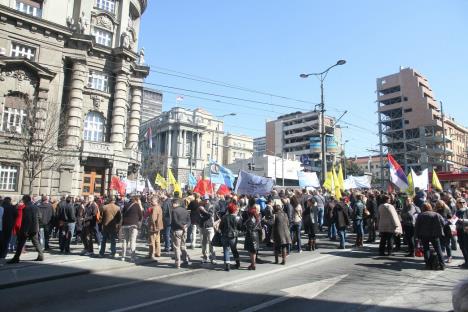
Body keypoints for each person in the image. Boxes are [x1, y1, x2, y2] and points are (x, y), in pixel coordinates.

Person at [7, 195, 43, 264]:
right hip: (35, 227)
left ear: (25, 200)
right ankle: (41, 255)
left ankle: (16, 258)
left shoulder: (26, 208)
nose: (23, 201)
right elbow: (39, 217)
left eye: (23, 199)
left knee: (20, 243)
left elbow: (27, 220)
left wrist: (25, 230)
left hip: (27, 229)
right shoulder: (35, 207)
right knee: (36, 242)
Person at [414, 202, 446, 270]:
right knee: (438, 249)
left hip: (423, 235)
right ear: (430, 207)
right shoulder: (436, 214)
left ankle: (428, 265)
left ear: (423, 208)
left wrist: (416, 236)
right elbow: (443, 223)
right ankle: (442, 265)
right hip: (434, 234)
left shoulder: (420, 215)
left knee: (426, 249)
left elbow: (417, 226)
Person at [121, 195, 143, 262]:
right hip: (133, 225)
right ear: (136, 200)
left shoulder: (126, 205)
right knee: (132, 241)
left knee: (125, 240)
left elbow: (122, 213)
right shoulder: (137, 206)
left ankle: (123, 257)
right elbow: (141, 215)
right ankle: (132, 257)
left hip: (125, 225)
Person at [220, 203, 241, 271]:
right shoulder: (237, 218)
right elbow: (240, 227)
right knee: (234, 250)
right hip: (233, 236)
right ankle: (237, 263)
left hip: (225, 235)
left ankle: (227, 265)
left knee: (226, 250)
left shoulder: (224, 217)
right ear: (234, 210)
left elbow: (220, 227)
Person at [171, 198, 191, 268]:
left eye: (172, 203)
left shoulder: (174, 211)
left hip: (177, 230)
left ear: (175, 204)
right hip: (185, 230)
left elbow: (175, 221)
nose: (172, 205)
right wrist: (186, 226)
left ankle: (178, 263)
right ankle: (185, 260)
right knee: (183, 245)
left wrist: (181, 226)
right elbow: (189, 221)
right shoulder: (185, 210)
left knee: (177, 247)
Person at [243, 205, 261, 270]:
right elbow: (260, 227)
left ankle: (253, 264)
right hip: (256, 235)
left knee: (251, 251)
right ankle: (253, 263)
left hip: (250, 235)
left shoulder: (249, 220)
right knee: (254, 251)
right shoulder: (257, 218)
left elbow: (245, 227)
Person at [199, 195, 216, 264]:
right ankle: (205, 257)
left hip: (209, 227)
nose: (206, 200)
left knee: (211, 242)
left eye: (207, 199)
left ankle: (213, 258)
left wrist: (203, 210)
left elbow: (210, 215)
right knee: (204, 243)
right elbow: (199, 216)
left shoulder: (211, 206)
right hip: (203, 226)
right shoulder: (200, 206)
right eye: (205, 199)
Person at [147, 197, 163, 261]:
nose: (151, 201)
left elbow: (153, 218)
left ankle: (151, 254)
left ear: (156, 201)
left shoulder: (155, 208)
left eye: (152, 200)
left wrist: (149, 223)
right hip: (158, 226)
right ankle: (158, 253)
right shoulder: (159, 207)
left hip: (153, 227)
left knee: (152, 241)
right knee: (157, 241)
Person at [455, 198, 468, 268]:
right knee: (462, 247)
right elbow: (455, 220)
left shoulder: (467, 209)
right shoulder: (457, 211)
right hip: (459, 231)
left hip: (466, 231)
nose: (462, 204)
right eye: (460, 202)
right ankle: (466, 262)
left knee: (466, 247)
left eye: (463, 202)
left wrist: (463, 220)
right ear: (457, 204)